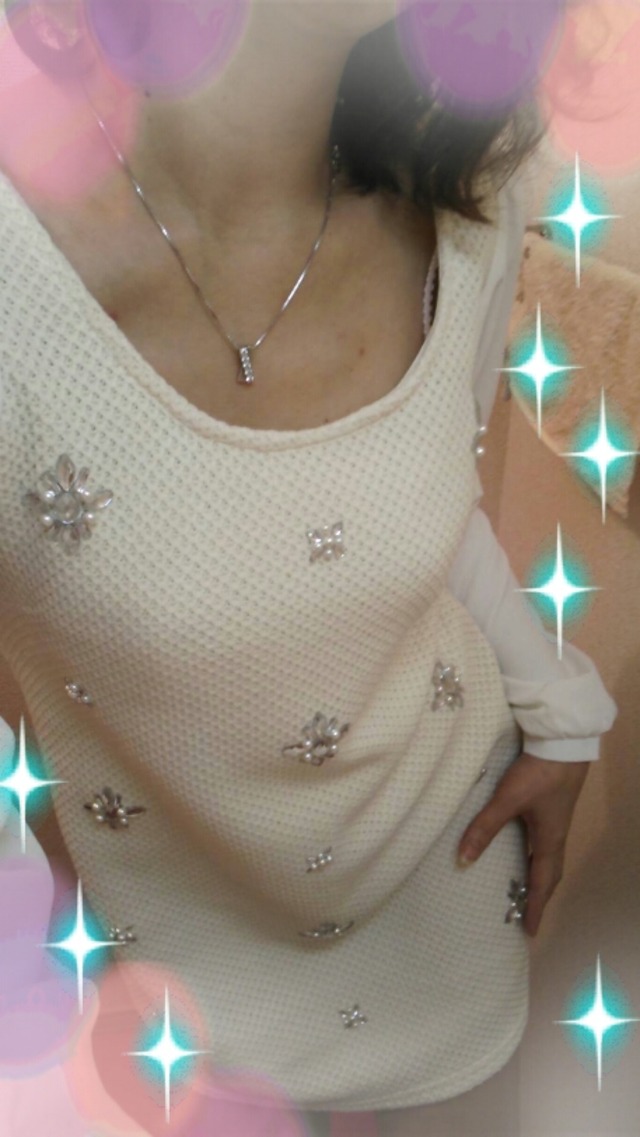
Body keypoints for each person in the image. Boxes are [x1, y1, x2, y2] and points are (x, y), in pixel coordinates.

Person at [0, 2, 618, 1135]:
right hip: (161, 956)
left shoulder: (472, 203)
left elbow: (419, 499)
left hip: (449, 887)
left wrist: (557, 709)